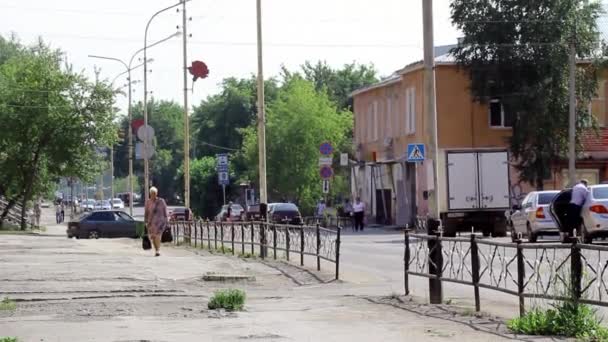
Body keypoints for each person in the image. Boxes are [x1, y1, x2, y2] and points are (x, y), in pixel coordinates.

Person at [145, 187, 169, 257]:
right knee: (153, 237)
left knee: (158, 236)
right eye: (152, 193)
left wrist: (166, 219)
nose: (153, 195)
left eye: (155, 193)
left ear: (157, 193)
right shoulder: (148, 202)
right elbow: (146, 212)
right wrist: (145, 221)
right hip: (151, 222)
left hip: (160, 222)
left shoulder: (161, 201)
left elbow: (165, 210)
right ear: (150, 194)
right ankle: (156, 249)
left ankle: (158, 250)